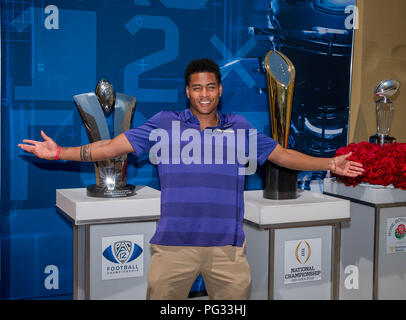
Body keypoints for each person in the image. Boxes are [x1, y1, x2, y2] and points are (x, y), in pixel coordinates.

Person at [18, 58, 364, 300]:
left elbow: (282, 155)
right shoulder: (164, 123)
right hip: (173, 248)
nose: (204, 94)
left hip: (227, 250)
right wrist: (59, 152)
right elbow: (110, 146)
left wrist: (329, 163)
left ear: (220, 90)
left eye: (210, 87)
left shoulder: (239, 127)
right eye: (197, 88)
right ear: (187, 91)